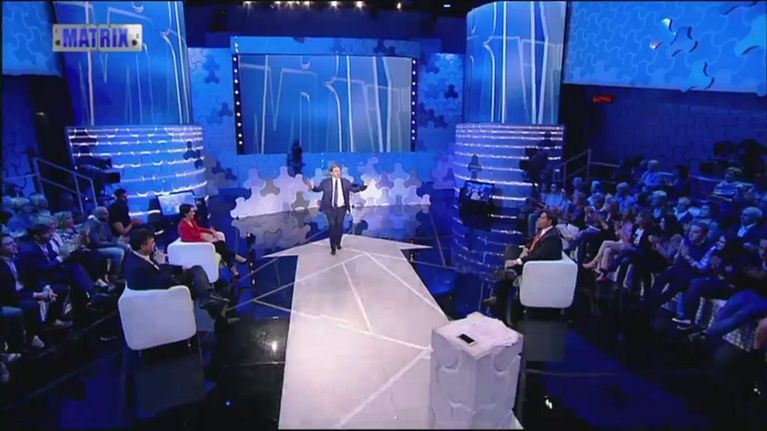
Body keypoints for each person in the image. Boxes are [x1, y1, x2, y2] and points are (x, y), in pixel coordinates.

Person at [124, 229, 230, 317]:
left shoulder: (141, 255)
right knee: (211, 284)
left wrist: (180, 268)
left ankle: (209, 301)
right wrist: (162, 263)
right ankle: (215, 310)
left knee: (198, 271)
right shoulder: (137, 268)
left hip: (168, 281)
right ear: (142, 246)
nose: (154, 244)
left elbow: (158, 270)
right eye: (152, 243)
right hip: (165, 292)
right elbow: (160, 283)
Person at [482, 210, 563, 320]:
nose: (539, 219)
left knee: (509, 265)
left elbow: (538, 256)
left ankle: (503, 285)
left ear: (550, 221)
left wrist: (518, 261)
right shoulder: (545, 231)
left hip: (537, 267)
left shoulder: (552, 238)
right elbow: (534, 242)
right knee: (510, 250)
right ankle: (500, 291)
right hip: (532, 260)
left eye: (542, 218)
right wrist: (526, 248)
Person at [308, 164, 367, 255]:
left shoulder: (345, 182)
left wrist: (364, 186)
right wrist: (313, 187)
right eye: (336, 171)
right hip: (329, 209)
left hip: (341, 208)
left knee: (339, 226)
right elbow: (318, 189)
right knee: (332, 226)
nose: (338, 173)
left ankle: (338, 243)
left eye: (339, 171)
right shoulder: (325, 182)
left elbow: (354, 189)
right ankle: (333, 248)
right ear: (331, 173)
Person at [177, 204, 247, 277]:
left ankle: (234, 269)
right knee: (221, 246)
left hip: (203, 243)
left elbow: (198, 229)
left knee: (222, 248)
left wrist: (210, 231)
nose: (194, 213)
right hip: (198, 247)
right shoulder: (182, 227)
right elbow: (190, 241)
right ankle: (235, 259)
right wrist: (208, 242)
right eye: (191, 212)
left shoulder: (191, 221)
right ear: (186, 214)